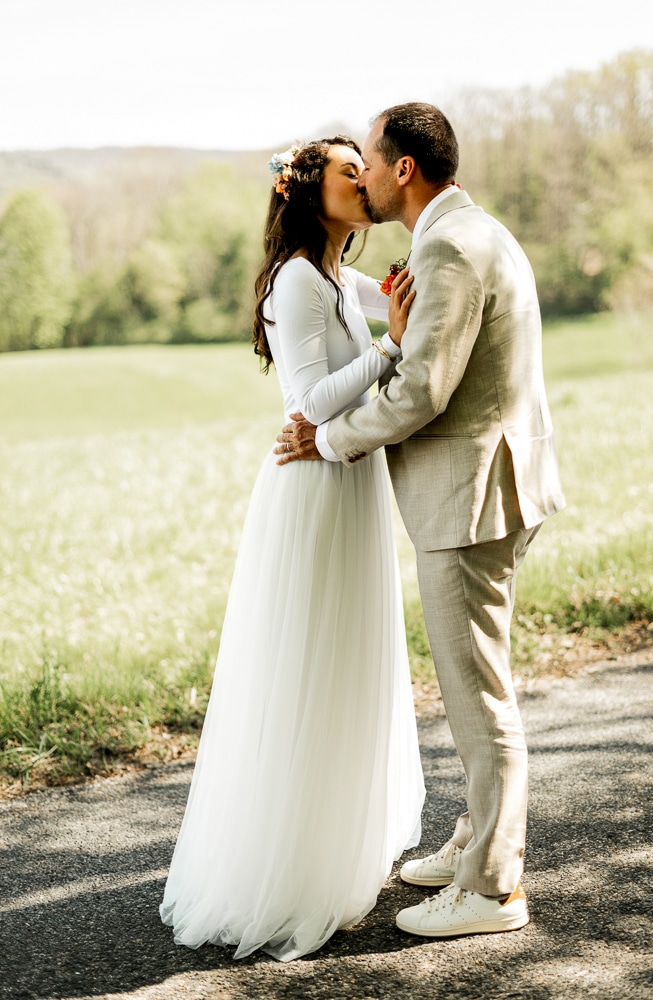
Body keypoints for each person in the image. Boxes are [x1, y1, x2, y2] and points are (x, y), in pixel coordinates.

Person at [276, 103, 566, 939]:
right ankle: (476, 841)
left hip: (470, 497)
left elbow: (421, 389)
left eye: (367, 158)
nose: (361, 172)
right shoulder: (469, 232)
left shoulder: (446, 246)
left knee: (479, 699)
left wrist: (329, 440)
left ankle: (491, 889)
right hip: (491, 486)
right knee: (478, 683)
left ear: (402, 168)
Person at [160, 135, 425, 962]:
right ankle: (289, 865)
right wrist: (390, 348)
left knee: (347, 666)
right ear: (310, 193)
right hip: (312, 491)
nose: (366, 180)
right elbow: (309, 400)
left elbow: (403, 303)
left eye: (367, 169)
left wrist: (411, 297)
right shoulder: (295, 280)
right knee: (308, 667)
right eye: (352, 172)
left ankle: (335, 840)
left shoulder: (340, 277)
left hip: (350, 487)